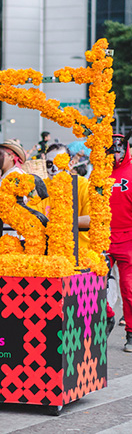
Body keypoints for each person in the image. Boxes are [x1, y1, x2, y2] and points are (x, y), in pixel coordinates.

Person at [107, 132, 132, 351]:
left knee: (128, 287)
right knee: (95, 283)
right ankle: (107, 317)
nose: (115, 152)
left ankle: (131, 333)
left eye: (119, 147)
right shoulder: (99, 173)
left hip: (128, 238)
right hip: (102, 237)